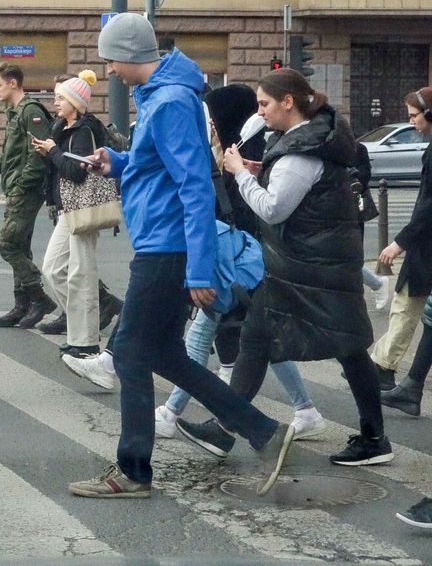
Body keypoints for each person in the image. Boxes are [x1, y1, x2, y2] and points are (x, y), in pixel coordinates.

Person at [65, 14, 293, 500]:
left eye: (109, 59)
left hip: (167, 247)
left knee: (127, 354)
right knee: (161, 353)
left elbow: (193, 185)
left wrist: (196, 269)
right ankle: (262, 431)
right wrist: (119, 161)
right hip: (164, 242)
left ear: (128, 55)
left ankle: (132, 472)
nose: (107, 70)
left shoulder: (167, 101)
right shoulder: (165, 95)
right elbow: (163, 168)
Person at [175, 68, 390, 467]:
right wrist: (261, 171)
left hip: (308, 268)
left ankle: (374, 439)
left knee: (347, 350)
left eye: (265, 104)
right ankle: (225, 428)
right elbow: (297, 189)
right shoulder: (311, 138)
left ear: (288, 102)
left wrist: (241, 174)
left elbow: (273, 209)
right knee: (261, 340)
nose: (261, 112)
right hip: (312, 265)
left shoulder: (299, 151)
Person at [154, 84, 325, 442]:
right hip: (246, 263)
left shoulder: (247, 150)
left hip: (247, 264)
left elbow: (262, 209)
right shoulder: (239, 149)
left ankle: (173, 413)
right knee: (264, 341)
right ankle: (305, 409)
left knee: (208, 337)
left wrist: (241, 173)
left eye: (213, 117)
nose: (210, 125)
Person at [33, 71, 109, 358]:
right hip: (69, 208)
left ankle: (86, 340)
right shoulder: (64, 129)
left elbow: (76, 173)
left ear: (76, 102)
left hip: (84, 207)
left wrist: (52, 152)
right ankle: (80, 328)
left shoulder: (83, 131)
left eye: (60, 99)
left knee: (83, 273)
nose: (55, 104)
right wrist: (49, 151)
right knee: (53, 268)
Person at [0, 64, 56, 329]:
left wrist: (21, 186)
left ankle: (39, 297)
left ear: (13, 83)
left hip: (27, 191)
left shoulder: (31, 111)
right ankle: (22, 305)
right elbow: (13, 155)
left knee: (8, 245)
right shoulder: (15, 112)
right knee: (19, 247)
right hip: (17, 188)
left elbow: (39, 155)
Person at [371, 85, 432, 393]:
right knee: (410, 302)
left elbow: (428, 206)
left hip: (425, 244)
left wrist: (400, 242)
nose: (411, 122)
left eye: (414, 116)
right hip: (424, 243)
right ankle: (386, 369)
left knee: (409, 301)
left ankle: (385, 369)